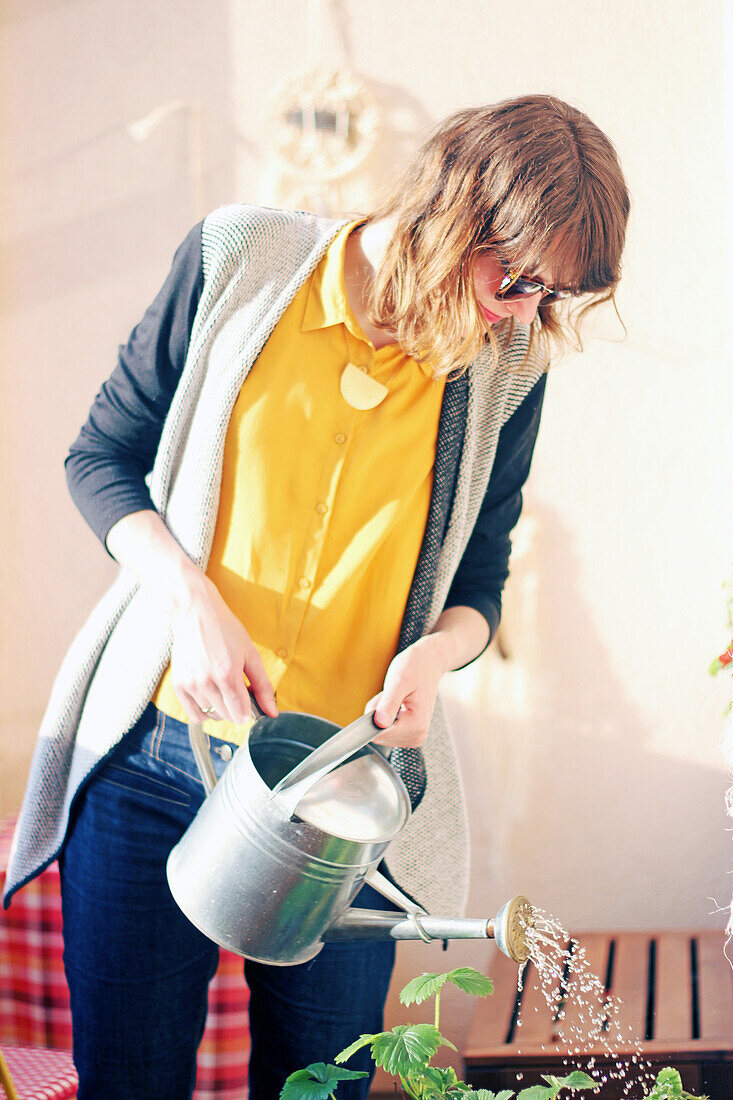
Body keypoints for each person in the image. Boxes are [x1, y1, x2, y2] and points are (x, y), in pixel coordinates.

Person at [3, 94, 629, 1099]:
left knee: (324, 1083)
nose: (522, 313)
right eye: (514, 279)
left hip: (344, 801)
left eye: (548, 298)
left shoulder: (506, 366)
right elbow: (100, 457)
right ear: (448, 206)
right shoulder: (241, 259)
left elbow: (478, 582)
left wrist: (431, 657)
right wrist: (188, 598)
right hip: (151, 766)